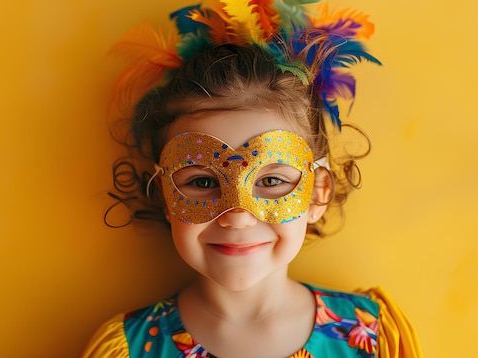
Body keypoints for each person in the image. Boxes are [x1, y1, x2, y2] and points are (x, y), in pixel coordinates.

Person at [84, 1, 422, 357]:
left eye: (272, 181)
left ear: (317, 194)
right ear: (165, 196)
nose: (238, 216)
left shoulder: (372, 337)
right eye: (202, 182)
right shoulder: (131, 348)